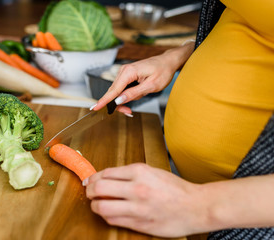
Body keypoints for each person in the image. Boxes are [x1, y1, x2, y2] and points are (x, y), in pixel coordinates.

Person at [83, 0, 274, 239]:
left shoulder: (199, 208)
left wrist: (199, 207)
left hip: (238, 217)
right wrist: (180, 54)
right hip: (187, 203)